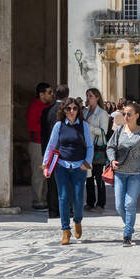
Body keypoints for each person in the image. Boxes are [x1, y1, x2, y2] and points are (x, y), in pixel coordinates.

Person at [42, 98, 92, 245]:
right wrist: (46, 165)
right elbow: (51, 145)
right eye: (68, 109)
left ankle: (77, 220)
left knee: (77, 199)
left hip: (78, 167)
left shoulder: (83, 126)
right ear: (63, 111)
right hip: (61, 166)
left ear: (78, 110)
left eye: (74, 108)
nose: (71, 111)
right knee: (63, 198)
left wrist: (86, 162)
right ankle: (65, 230)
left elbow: (89, 146)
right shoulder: (59, 125)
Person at [106, 101, 140, 246]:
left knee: (130, 204)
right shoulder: (119, 131)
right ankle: (130, 226)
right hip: (120, 173)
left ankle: (127, 235)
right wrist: (112, 160)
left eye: (129, 114)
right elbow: (110, 147)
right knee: (119, 206)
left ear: (137, 116)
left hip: (136, 174)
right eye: (125, 114)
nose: (126, 116)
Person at [41, 84, 69, 221]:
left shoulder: (47, 111)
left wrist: (44, 154)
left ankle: (53, 210)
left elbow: (44, 134)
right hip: (65, 151)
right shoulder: (69, 111)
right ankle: (67, 209)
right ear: (67, 95)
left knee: (52, 182)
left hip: (51, 151)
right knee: (66, 181)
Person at [26, 81, 54, 210]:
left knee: (46, 172)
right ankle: (37, 200)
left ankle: (44, 199)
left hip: (46, 144)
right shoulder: (34, 107)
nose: (51, 94)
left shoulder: (47, 106)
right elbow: (32, 126)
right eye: (49, 92)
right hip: (37, 143)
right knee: (38, 172)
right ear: (41, 94)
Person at [83, 86, 110, 211]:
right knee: (88, 176)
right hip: (86, 148)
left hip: (97, 148)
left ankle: (101, 203)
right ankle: (90, 202)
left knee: (98, 176)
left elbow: (104, 131)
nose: (88, 98)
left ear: (97, 97)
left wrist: (90, 127)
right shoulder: (84, 112)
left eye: (91, 96)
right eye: (87, 95)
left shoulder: (102, 113)